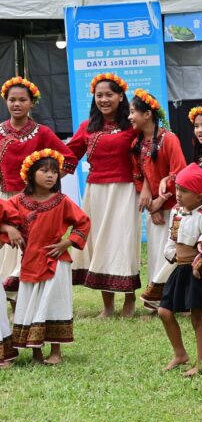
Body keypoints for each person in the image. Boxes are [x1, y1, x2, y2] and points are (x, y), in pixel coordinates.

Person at [2, 150, 90, 365]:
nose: (50, 175)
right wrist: (8, 228)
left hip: (56, 260)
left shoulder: (62, 201)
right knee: (30, 304)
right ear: (30, 174)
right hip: (30, 262)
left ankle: (56, 351)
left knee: (54, 303)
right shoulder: (18, 202)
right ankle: (36, 353)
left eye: (54, 172)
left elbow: (83, 222)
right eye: (44, 171)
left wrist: (67, 243)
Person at [67, 73, 141, 317]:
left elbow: (148, 157)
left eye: (109, 94)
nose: (104, 99)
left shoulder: (133, 126)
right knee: (99, 244)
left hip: (125, 190)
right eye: (99, 95)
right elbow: (68, 156)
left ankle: (129, 300)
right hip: (96, 191)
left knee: (124, 242)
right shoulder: (87, 127)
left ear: (121, 97)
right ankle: (108, 306)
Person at [0, 76, 76, 305]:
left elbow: (69, 158)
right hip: (5, 199)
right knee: (7, 252)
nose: (16, 104)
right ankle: (10, 299)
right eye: (12, 99)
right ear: (5, 101)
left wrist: (46, 185)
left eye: (22, 100)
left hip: (31, 202)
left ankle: (26, 300)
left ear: (32, 103)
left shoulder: (42, 132)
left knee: (28, 250)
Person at [157, 163, 202, 377]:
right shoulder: (176, 212)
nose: (179, 195)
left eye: (184, 191)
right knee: (164, 311)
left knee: (197, 317)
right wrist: (172, 254)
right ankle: (180, 353)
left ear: (200, 195)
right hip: (180, 268)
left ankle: (201, 362)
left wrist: (200, 259)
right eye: (177, 190)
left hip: (197, 271)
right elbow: (171, 239)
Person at [130, 89, 187, 312]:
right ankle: (156, 301)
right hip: (156, 208)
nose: (129, 117)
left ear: (148, 115)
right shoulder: (137, 144)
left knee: (171, 253)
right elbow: (139, 173)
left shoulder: (169, 139)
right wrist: (151, 203)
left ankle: (174, 301)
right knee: (156, 253)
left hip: (174, 207)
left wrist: (160, 201)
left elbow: (179, 173)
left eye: (133, 112)